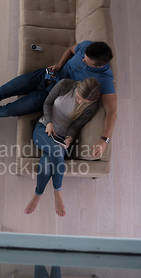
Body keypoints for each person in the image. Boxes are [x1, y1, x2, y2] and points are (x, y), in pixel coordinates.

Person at [0, 41, 117, 156]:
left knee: (9, 110)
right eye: (84, 56)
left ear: (98, 66)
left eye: (86, 61)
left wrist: (104, 139)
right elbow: (70, 49)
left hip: (51, 94)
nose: (82, 58)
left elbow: (112, 111)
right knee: (2, 91)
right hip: (46, 75)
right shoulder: (87, 47)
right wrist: (60, 64)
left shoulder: (105, 80)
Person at [25, 78, 101, 217]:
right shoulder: (65, 85)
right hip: (43, 128)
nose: (80, 102)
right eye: (79, 98)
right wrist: (49, 123)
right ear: (78, 88)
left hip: (61, 138)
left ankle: (38, 194)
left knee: (51, 156)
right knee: (56, 151)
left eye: (84, 102)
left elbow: (77, 125)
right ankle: (57, 193)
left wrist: (70, 137)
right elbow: (47, 103)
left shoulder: (91, 105)